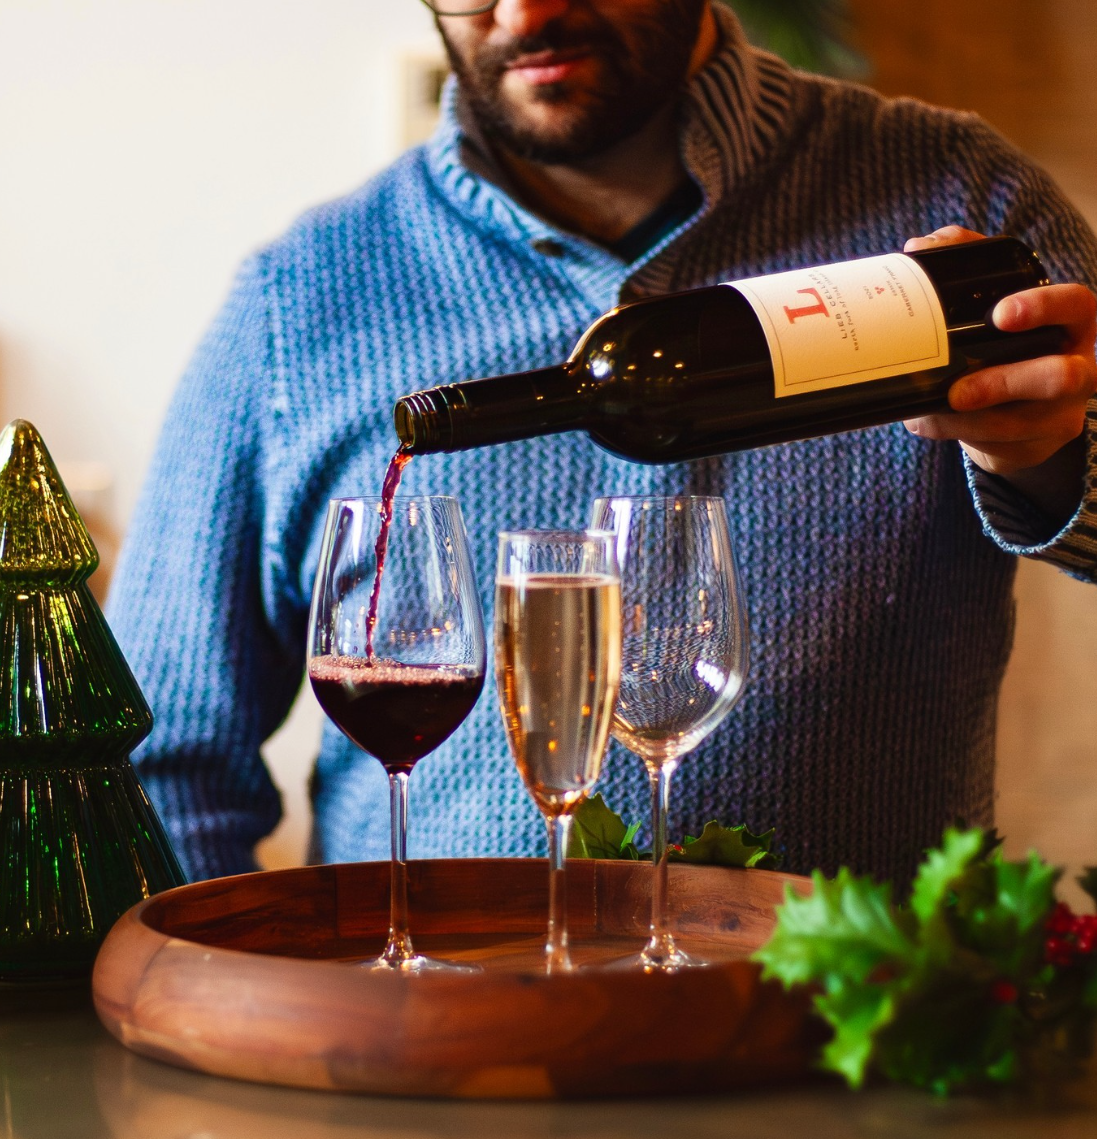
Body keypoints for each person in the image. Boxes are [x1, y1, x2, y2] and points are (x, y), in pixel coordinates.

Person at [107, 0, 1097, 886]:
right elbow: (162, 758)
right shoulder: (297, 302)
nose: (524, 10)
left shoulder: (958, 206)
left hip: (853, 1052)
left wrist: (1037, 460)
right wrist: (247, 1024)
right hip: (419, 1061)